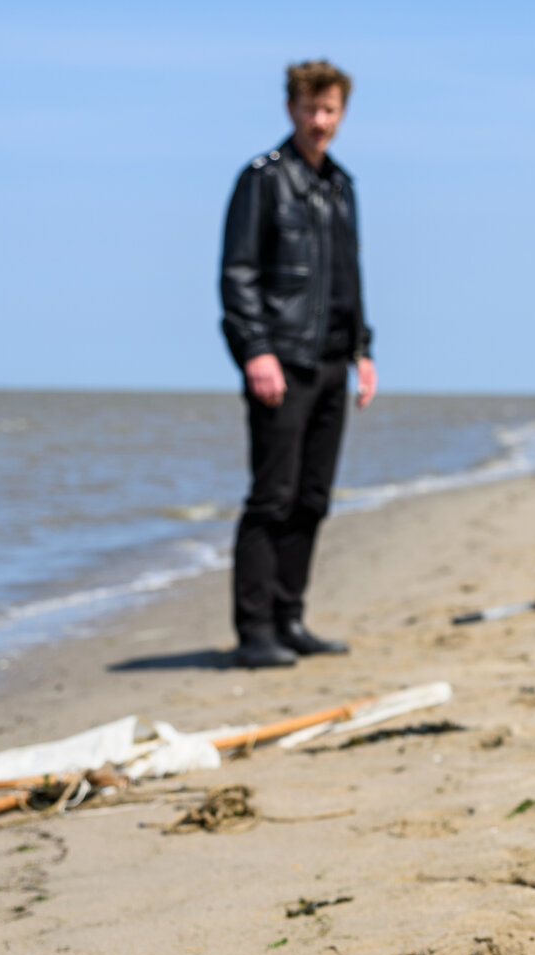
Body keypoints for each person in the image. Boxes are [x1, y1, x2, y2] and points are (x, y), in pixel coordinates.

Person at [219, 59, 377, 669]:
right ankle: (254, 631)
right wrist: (255, 349)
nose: (319, 121)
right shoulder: (262, 178)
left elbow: (348, 277)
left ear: (342, 113)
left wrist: (363, 351)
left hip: (334, 361)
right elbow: (238, 273)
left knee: (312, 498)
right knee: (273, 496)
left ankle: (289, 619)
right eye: (310, 109)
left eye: (329, 110)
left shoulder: (341, 186)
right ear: (291, 109)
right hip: (280, 361)